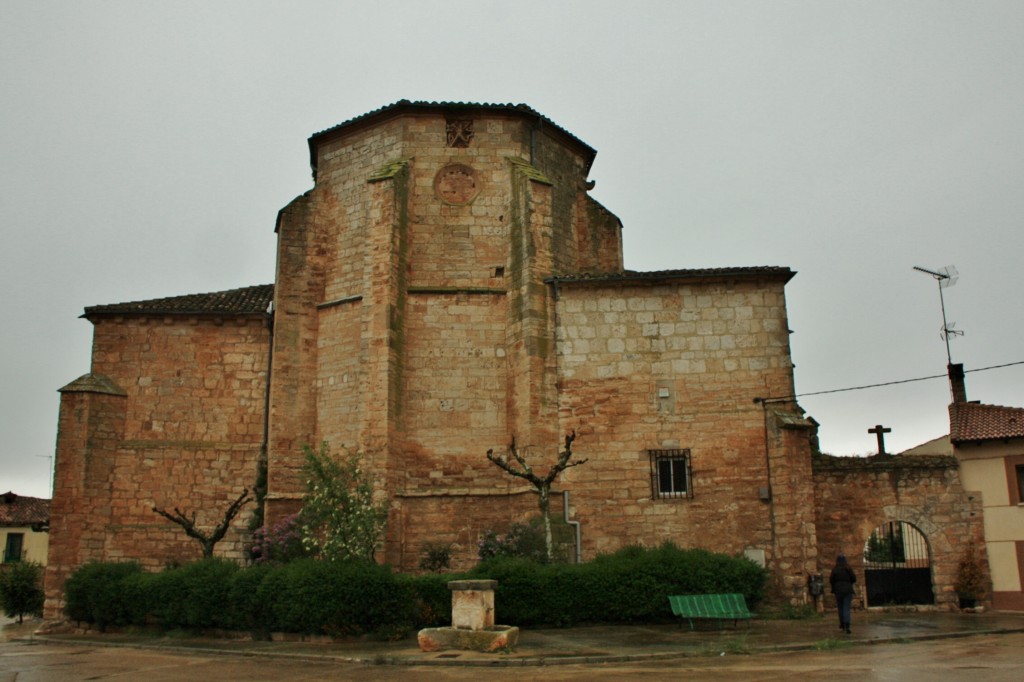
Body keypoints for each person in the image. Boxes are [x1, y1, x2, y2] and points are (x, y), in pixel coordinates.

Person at [829, 554, 857, 634]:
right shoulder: (848, 569)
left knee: (840, 608)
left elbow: (831, 580)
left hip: (838, 591)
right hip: (848, 590)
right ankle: (847, 625)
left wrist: (835, 586)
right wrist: (849, 583)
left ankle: (842, 624)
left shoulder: (835, 569)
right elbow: (854, 578)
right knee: (846, 608)